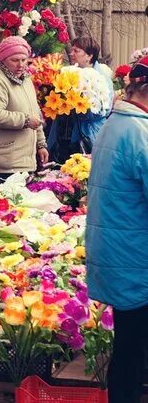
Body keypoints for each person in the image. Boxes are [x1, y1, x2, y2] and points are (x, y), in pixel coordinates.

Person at [86, 56, 148, 402]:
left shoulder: (116, 123)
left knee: (128, 348)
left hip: (120, 253)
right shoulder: (140, 133)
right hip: (137, 260)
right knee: (133, 351)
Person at [0, 36, 49, 187]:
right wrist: (26, 121)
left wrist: (41, 144)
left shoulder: (25, 79)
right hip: (0, 164)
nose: (21, 65)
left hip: (20, 161)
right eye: (15, 60)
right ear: (2, 59)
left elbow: (35, 112)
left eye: (24, 60)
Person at [47, 37, 114, 162]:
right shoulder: (68, 72)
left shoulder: (102, 78)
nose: (71, 54)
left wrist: (79, 108)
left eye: (76, 51)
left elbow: (104, 110)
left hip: (86, 136)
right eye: (71, 50)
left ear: (89, 56)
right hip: (63, 135)